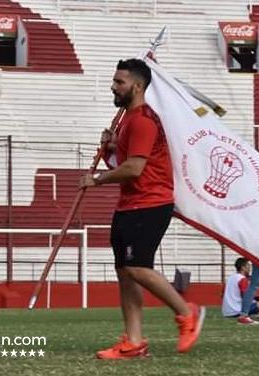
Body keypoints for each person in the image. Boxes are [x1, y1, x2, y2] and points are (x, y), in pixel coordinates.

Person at [80, 59, 205, 359]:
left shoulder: (143, 121)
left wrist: (96, 180)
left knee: (137, 267)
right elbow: (128, 158)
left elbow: (135, 168)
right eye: (114, 80)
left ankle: (187, 312)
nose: (114, 86)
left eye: (119, 82)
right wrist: (111, 147)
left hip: (150, 203)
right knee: (125, 271)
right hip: (129, 203)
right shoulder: (128, 121)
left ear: (137, 86)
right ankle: (134, 342)